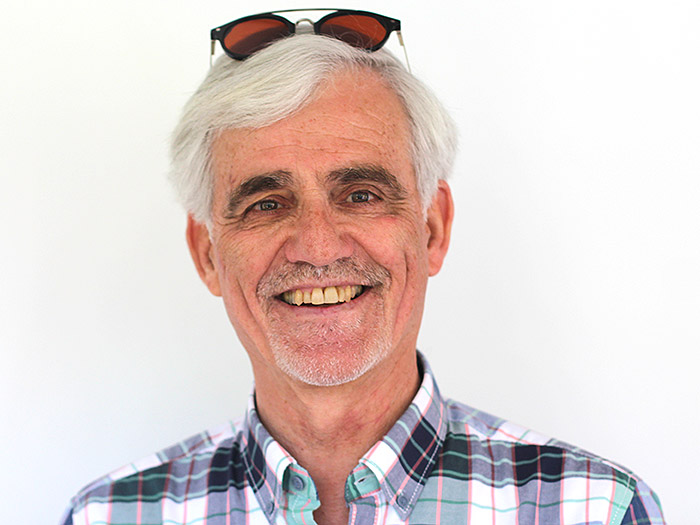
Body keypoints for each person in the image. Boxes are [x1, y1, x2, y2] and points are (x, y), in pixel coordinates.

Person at [61, 9, 665, 525]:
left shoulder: (593, 509)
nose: (318, 247)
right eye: (267, 204)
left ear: (432, 228)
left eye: (361, 195)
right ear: (208, 253)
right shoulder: (111, 516)